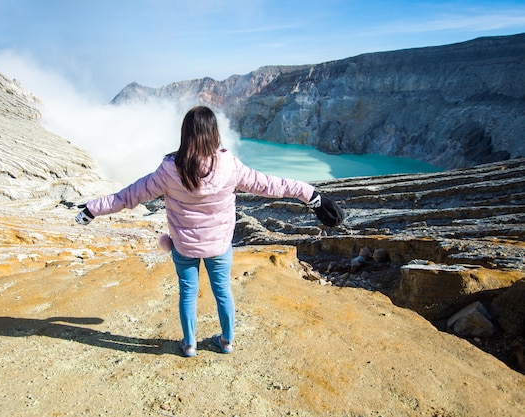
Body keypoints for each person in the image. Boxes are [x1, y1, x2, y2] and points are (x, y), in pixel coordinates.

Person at [75, 106, 344, 357]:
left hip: (184, 246)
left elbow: (129, 195)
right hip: (219, 246)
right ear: (213, 133)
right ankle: (226, 341)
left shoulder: (169, 169)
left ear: (185, 134)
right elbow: (273, 185)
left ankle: (189, 344)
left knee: (187, 293)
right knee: (223, 291)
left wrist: (92, 209)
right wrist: (314, 197)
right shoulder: (230, 166)